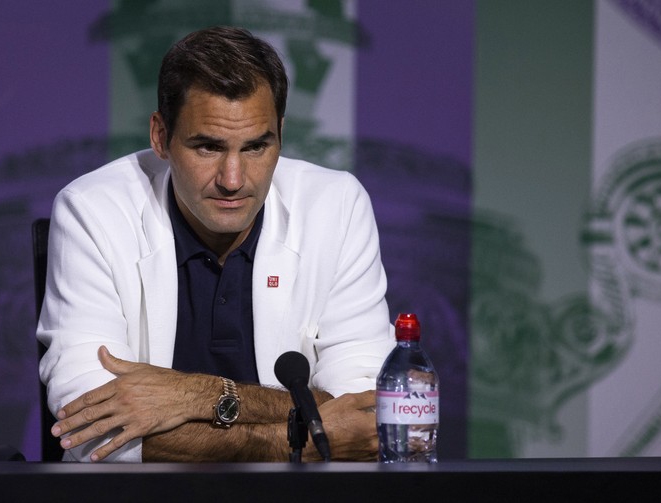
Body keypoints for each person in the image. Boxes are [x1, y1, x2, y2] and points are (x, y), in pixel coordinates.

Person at [38, 26, 394, 463]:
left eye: (257, 147)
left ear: (280, 134)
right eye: (208, 147)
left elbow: (365, 415)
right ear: (160, 136)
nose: (233, 179)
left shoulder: (336, 206)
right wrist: (298, 438)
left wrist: (194, 395)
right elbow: (95, 431)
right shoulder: (92, 211)